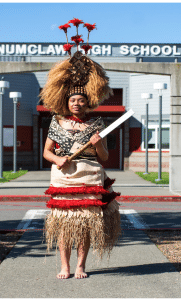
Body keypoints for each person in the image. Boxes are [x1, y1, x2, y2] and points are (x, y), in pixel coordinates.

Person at [41, 18, 121, 279]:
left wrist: (98, 145)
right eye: (73, 99)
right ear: (67, 101)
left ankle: (80, 266)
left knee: (86, 226)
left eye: (81, 100)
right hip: (63, 178)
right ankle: (64, 266)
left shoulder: (97, 123)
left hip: (90, 176)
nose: (76, 103)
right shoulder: (56, 121)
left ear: (87, 103)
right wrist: (57, 159)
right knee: (64, 226)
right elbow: (46, 152)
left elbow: (105, 158)